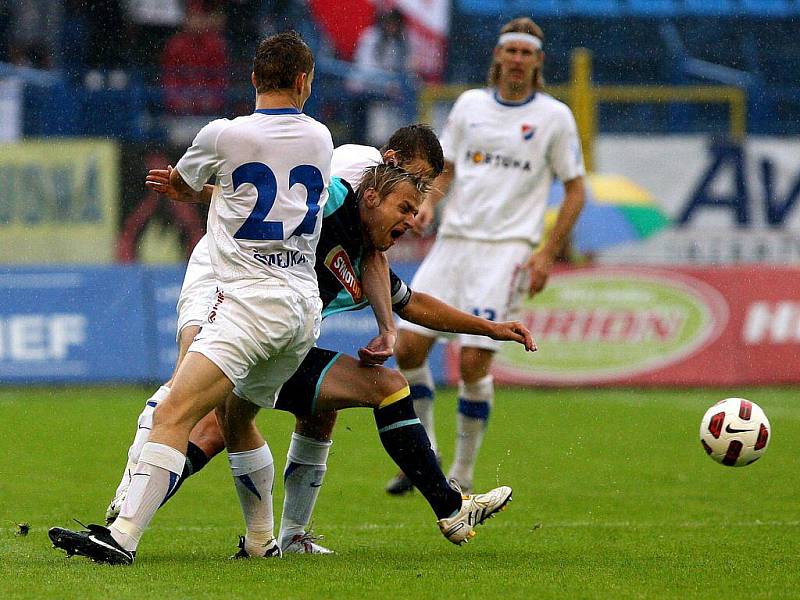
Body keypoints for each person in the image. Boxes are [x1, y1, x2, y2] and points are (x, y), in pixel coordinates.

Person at [94, 127, 533, 554]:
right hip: (227, 279)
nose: (415, 211)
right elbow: (273, 200)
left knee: (286, 417)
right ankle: (129, 511)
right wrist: (201, 191)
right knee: (196, 406)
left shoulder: (364, 246)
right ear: (383, 178)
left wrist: (487, 328)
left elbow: (408, 299)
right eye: (412, 190)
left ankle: (272, 540)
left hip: (280, 326)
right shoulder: (347, 177)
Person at [49, 30, 332, 565]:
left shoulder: (223, 134)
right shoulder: (320, 139)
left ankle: (121, 536)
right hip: (302, 307)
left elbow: (183, 183)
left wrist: (184, 187)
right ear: (303, 82)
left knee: (173, 410)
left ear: (252, 79)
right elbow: (256, 186)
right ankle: (259, 542)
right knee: (236, 419)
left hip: (249, 303)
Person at [386, 17, 586, 496]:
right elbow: (446, 169)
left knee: (474, 360)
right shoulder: (471, 106)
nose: (517, 60)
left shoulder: (554, 117)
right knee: (408, 346)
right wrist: (430, 201)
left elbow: (576, 189)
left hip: (508, 249)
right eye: (510, 51)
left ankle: (463, 473)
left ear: (538, 61)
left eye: (526, 53)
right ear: (498, 56)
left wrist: (546, 254)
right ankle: (427, 454)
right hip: (455, 242)